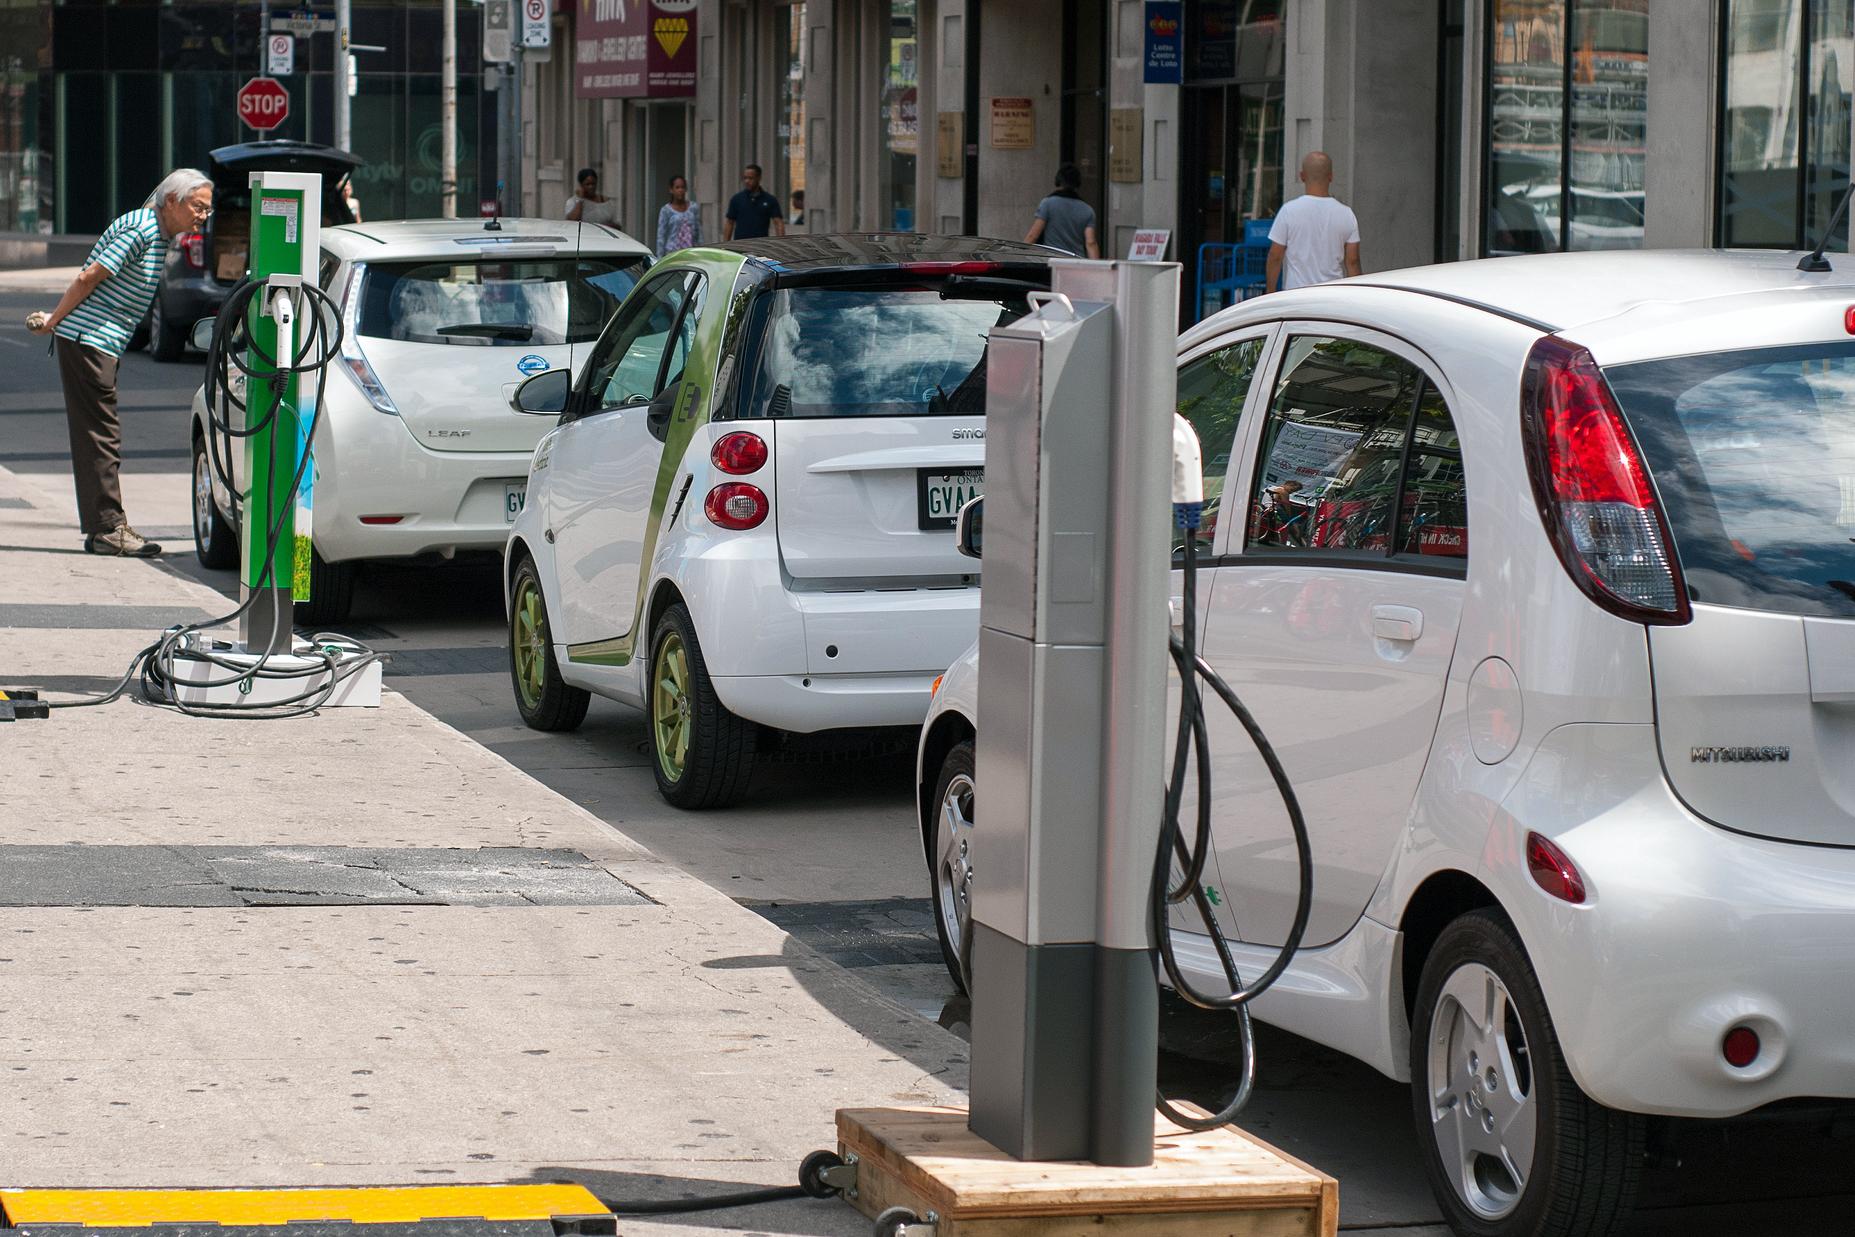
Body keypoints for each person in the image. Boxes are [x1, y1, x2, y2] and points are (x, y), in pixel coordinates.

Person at [28, 168, 213, 556]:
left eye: (207, 210)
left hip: (99, 342)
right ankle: (109, 528)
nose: (202, 216)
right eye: (198, 207)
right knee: (101, 436)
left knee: (97, 435)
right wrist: (53, 321)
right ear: (172, 201)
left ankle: (102, 528)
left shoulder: (156, 232)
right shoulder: (143, 229)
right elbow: (89, 276)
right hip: (88, 341)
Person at [1265, 151, 1362, 293]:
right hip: (1332, 295)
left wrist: (1270, 291)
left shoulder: (1288, 211)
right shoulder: (1347, 214)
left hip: (1296, 296)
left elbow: (1275, 256)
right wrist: (1357, 295)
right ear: (1331, 177)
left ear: (1302, 176)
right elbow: (1352, 261)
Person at [1025, 163, 1100, 258]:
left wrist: (1021, 255)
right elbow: (1091, 242)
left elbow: (1033, 236)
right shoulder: (1088, 210)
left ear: (1058, 181)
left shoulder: (1048, 204)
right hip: (1076, 262)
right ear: (1078, 184)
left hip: (1052, 260)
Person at [722, 164, 785, 241]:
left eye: (750, 178)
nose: (747, 181)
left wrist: (780, 242)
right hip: (740, 245)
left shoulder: (770, 200)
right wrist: (725, 245)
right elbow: (729, 223)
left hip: (760, 245)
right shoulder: (737, 199)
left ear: (759, 178)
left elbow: (778, 223)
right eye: (745, 178)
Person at [655, 174, 702, 257]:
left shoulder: (693, 207)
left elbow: (699, 232)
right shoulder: (666, 210)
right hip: (673, 253)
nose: (680, 190)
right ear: (671, 190)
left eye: (682, 187)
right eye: (677, 187)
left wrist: (701, 251)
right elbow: (661, 236)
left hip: (691, 252)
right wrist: (659, 258)